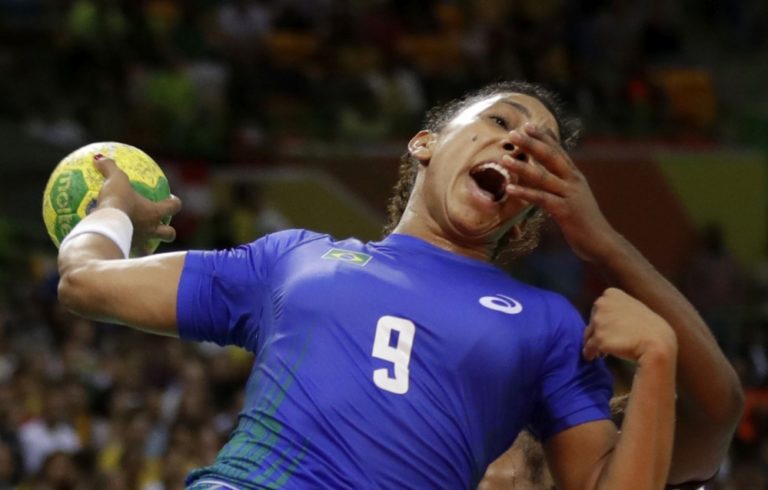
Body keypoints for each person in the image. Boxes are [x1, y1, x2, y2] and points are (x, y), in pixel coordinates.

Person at [58, 80, 692, 489]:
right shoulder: (292, 257)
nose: (519, 145)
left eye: (541, 150)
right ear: (425, 143)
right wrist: (114, 210)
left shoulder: (548, 323)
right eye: (501, 121)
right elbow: (85, 281)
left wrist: (659, 359)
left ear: (531, 208)